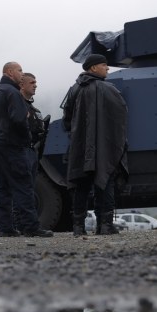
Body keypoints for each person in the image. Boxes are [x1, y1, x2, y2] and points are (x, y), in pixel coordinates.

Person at [63, 54, 129, 236]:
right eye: (104, 65)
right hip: (105, 146)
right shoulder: (109, 88)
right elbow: (121, 117)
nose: (108, 68)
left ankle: (78, 227)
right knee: (105, 182)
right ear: (93, 68)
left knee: (81, 185)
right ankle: (105, 225)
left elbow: (66, 119)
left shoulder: (74, 89)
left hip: (80, 146)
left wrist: (78, 135)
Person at [0, 62, 53, 238]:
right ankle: (31, 227)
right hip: (14, 146)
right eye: (20, 70)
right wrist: (27, 140)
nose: (21, 73)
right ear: (10, 72)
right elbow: (19, 121)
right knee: (24, 186)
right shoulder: (13, 93)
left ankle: (5, 228)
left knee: (2, 187)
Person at [12, 73, 48, 234]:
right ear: (22, 85)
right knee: (24, 190)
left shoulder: (32, 108)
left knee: (28, 189)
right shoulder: (18, 105)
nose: (35, 85)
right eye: (32, 82)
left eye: (36, 82)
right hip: (23, 150)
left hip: (33, 150)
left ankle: (21, 225)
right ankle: (23, 225)